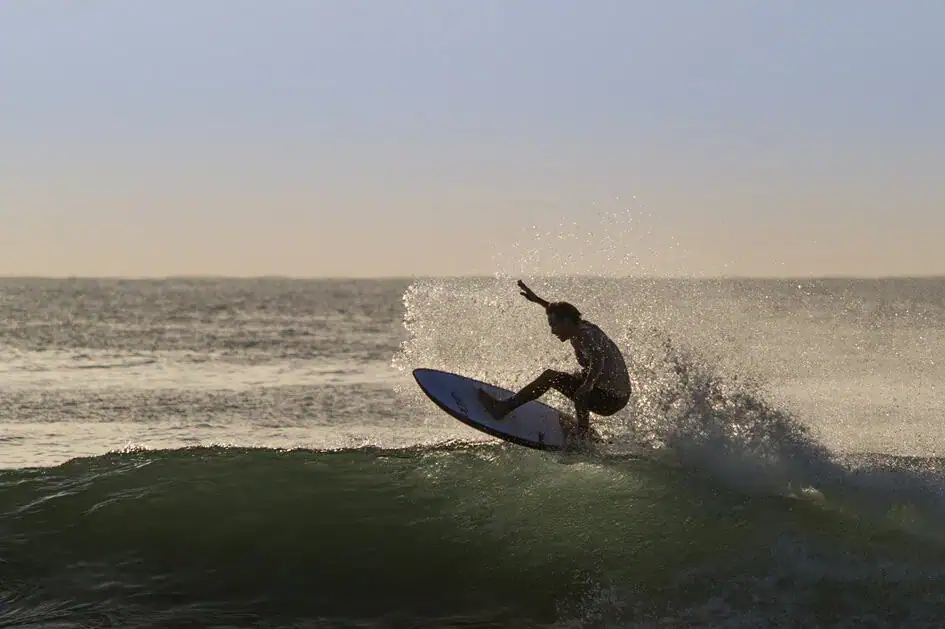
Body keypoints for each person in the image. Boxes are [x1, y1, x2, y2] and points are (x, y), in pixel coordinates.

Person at [477, 280, 632, 442]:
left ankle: (502, 409)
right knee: (578, 378)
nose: (552, 331)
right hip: (618, 396)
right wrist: (537, 300)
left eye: (554, 325)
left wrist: (587, 385)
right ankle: (583, 432)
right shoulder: (581, 326)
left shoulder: (583, 336)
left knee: (552, 377)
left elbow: (598, 359)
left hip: (610, 399)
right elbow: (561, 312)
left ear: (565, 322)